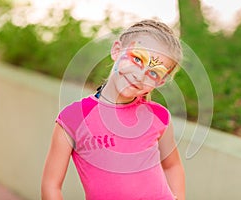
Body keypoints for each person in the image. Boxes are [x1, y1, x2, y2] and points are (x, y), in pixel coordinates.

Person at [41, 19, 186, 200]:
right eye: (137, 59)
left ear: (160, 81)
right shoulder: (74, 118)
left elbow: (172, 165)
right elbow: (51, 185)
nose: (140, 76)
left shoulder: (158, 117)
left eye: (154, 73)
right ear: (117, 50)